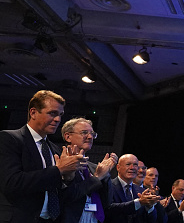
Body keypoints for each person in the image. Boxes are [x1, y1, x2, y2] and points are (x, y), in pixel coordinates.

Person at [0, 90, 84, 223]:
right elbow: (12, 183)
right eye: (52, 113)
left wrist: (68, 177)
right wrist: (59, 170)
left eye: (60, 115)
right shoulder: (10, 139)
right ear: (33, 112)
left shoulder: (55, 149)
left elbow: (61, 191)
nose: (58, 119)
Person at [60, 117, 118, 223]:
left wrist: (106, 174)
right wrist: (97, 178)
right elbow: (66, 196)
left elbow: (107, 202)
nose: (90, 137)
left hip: (94, 218)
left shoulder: (94, 167)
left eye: (92, 134)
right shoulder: (59, 163)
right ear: (68, 136)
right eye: (84, 132)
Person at [105, 154, 162, 223]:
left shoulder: (142, 191)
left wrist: (150, 207)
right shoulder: (107, 186)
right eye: (128, 164)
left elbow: (152, 220)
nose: (132, 168)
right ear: (118, 167)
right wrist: (139, 202)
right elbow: (108, 209)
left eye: (135, 165)